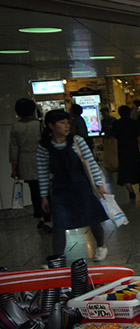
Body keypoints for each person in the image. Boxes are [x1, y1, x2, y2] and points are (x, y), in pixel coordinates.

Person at [36, 109, 108, 261]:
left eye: (67, 122)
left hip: (81, 185)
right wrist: (43, 196)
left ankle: (101, 246)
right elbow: (42, 172)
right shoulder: (44, 147)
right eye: (62, 123)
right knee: (59, 224)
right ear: (51, 125)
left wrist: (99, 184)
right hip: (60, 189)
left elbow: (91, 164)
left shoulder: (77, 141)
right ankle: (58, 257)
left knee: (92, 218)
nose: (66, 126)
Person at [9, 98, 51, 232]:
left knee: (34, 190)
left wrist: (14, 168)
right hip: (41, 159)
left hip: (25, 161)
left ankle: (40, 218)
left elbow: (13, 148)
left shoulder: (16, 126)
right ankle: (48, 218)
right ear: (33, 109)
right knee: (45, 190)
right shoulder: (40, 125)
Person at [111, 105, 140, 200]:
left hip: (122, 151)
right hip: (133, 150)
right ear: (129, 112)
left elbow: (113, 138)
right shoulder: (134, 123)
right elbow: (139, 137)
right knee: (137, 169)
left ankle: (131, 191)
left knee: (125, 171)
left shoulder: (116, 124)